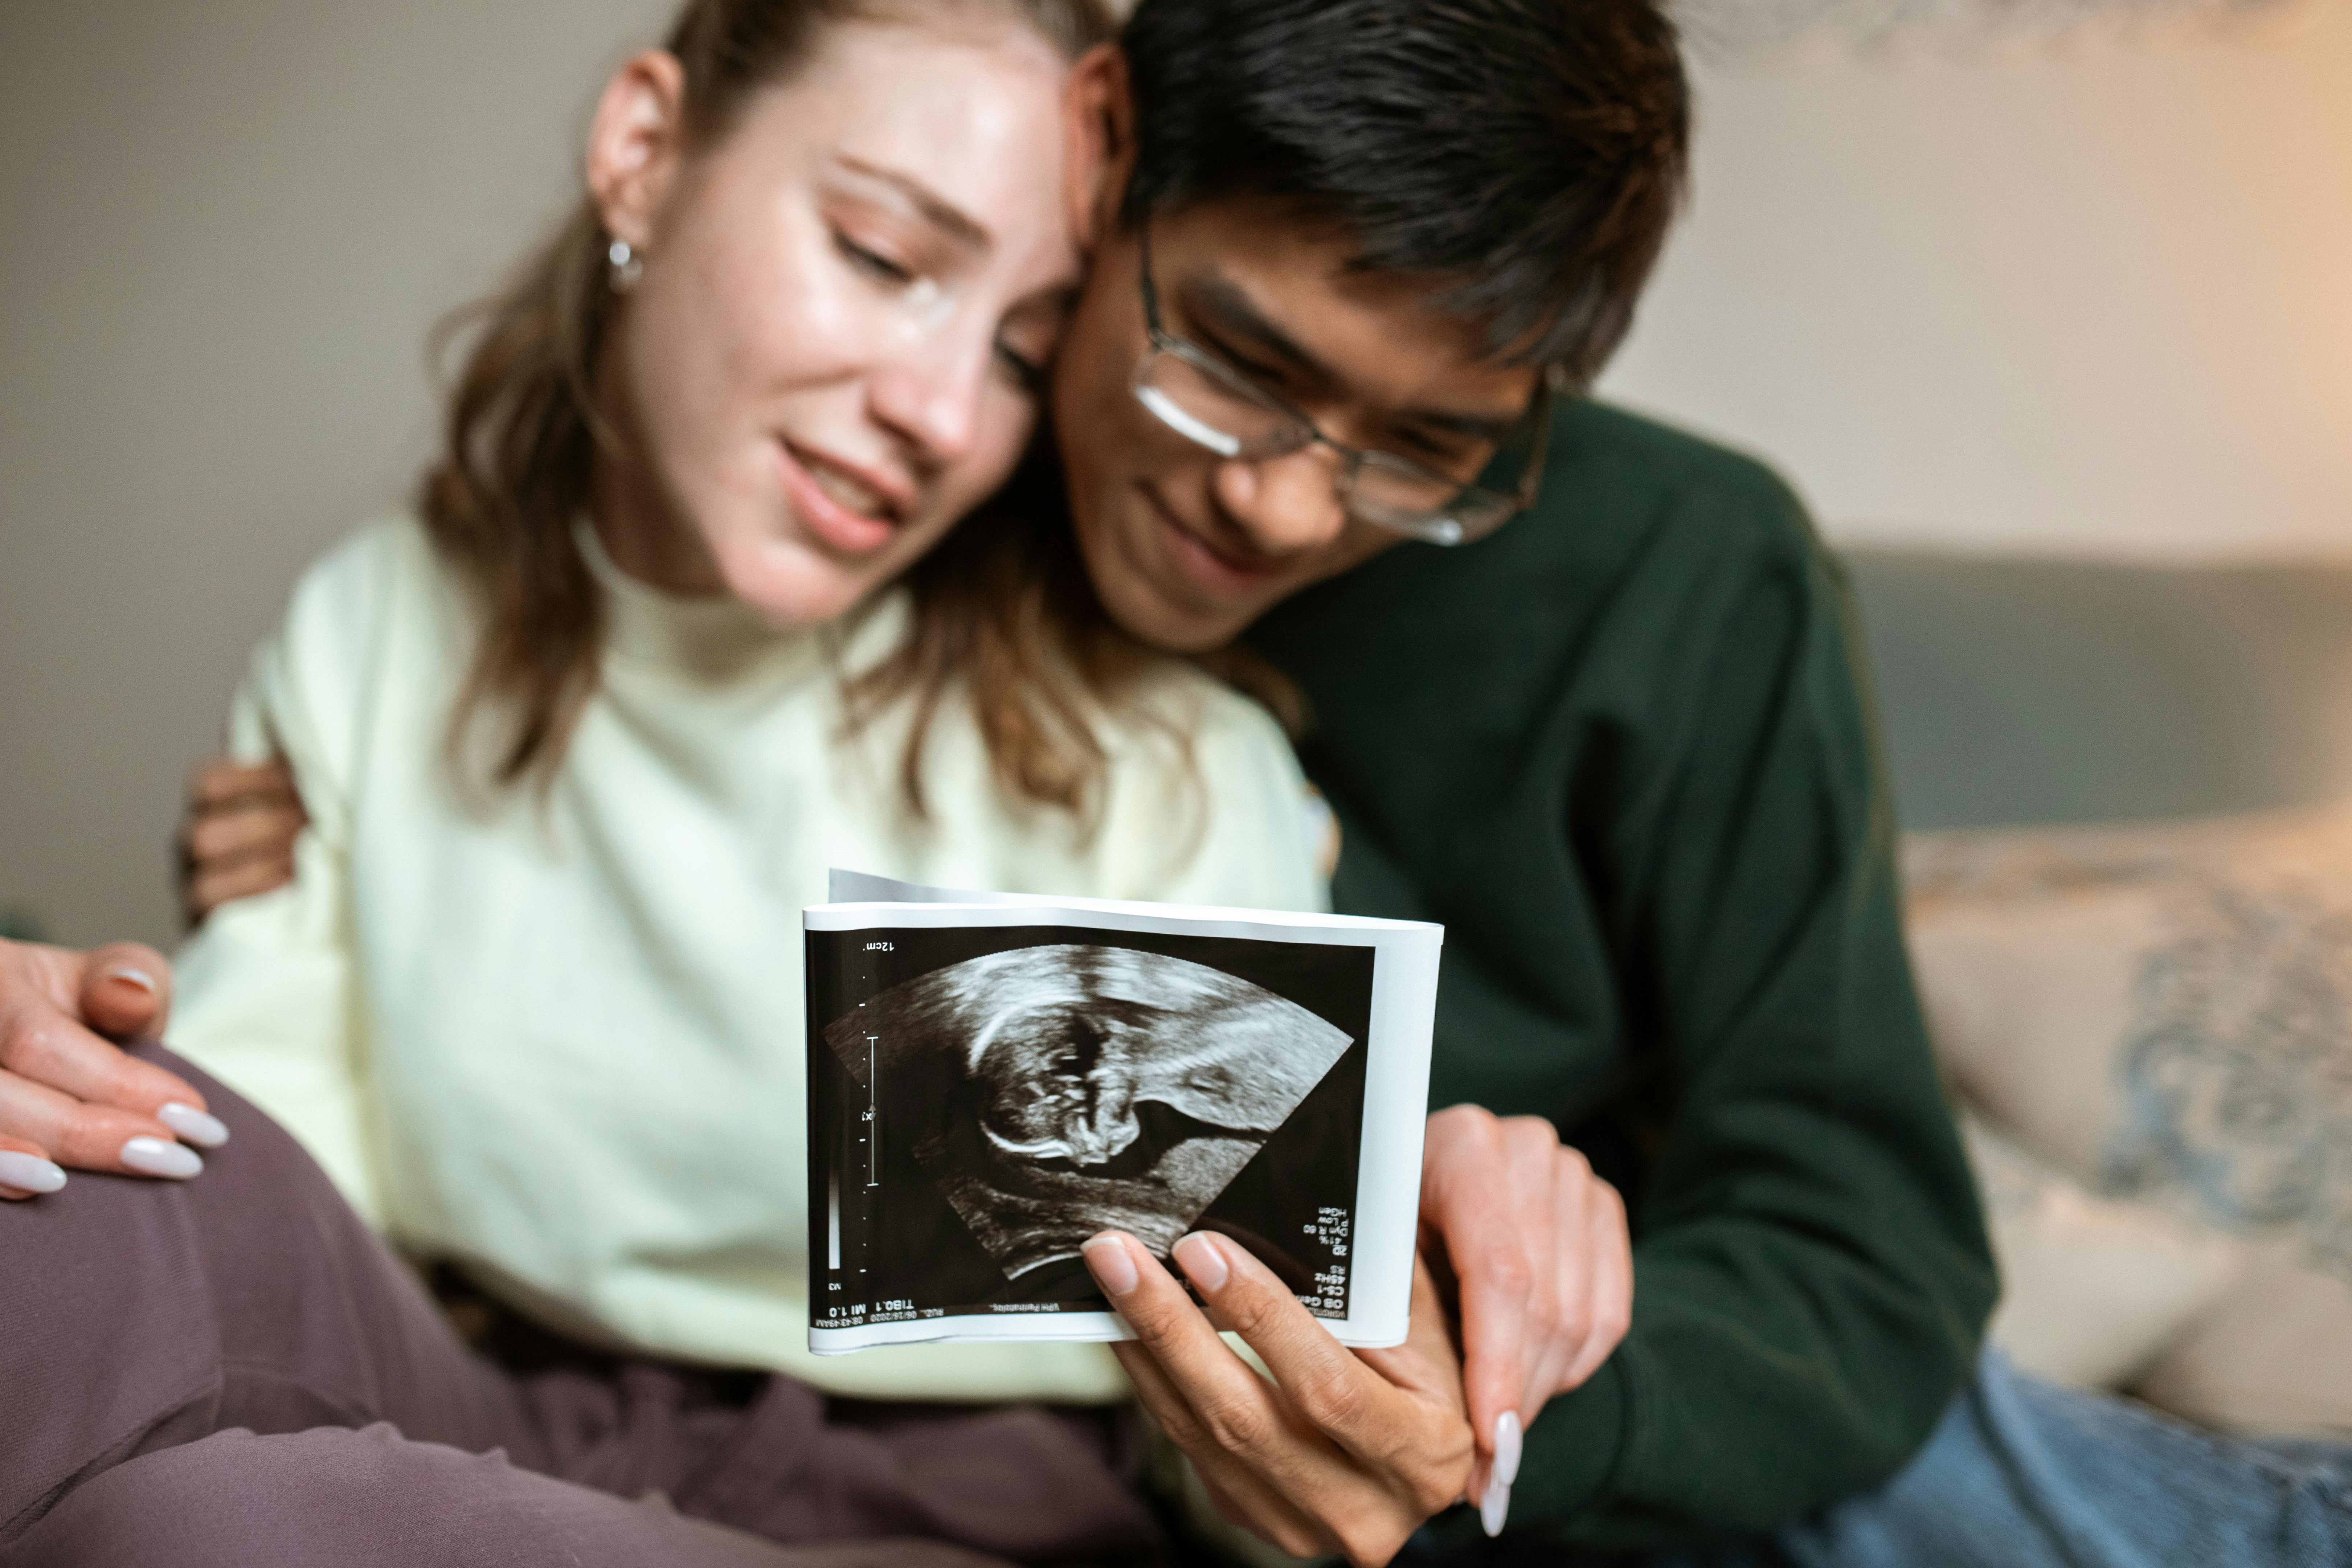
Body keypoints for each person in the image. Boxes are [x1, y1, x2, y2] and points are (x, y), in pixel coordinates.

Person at [29, 0, 2222, 1564]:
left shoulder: (1664, 576)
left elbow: (1843, 1235)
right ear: (1112, 191)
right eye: (1230, 363)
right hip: (666, 1379)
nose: (1282, 506)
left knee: (2084, 1495)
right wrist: (259, 899)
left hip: (1422, 1394)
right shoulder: (874, 462)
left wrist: (1501, 1366)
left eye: (1425, 447)